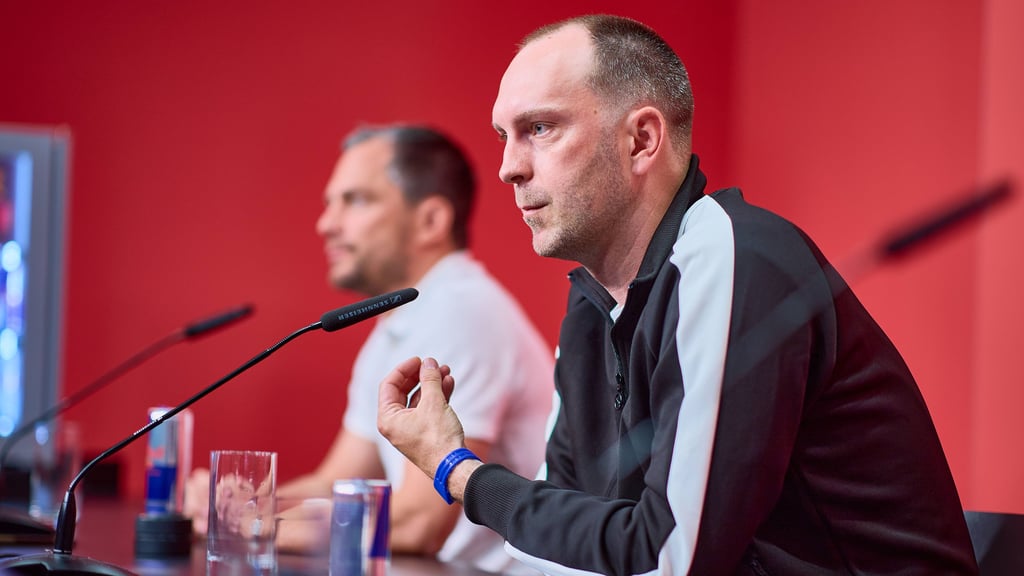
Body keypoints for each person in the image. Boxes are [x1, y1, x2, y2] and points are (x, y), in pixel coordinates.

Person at [375, 15, 979, 576]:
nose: (509, 167)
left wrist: (459, 471)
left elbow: (669, 558)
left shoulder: (734, 255)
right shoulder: (590, 304)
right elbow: (563, 550)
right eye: (503, 136)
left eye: (540, 128)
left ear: (642, 140)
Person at [184, 125, 554, 574]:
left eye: (355, 200)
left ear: (431, 221)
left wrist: (254, 522)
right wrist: (240, 502)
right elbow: (334, 480)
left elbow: (419, 524)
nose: (326, 224)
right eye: (330, 203)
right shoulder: (399, 323)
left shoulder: (463, 309)